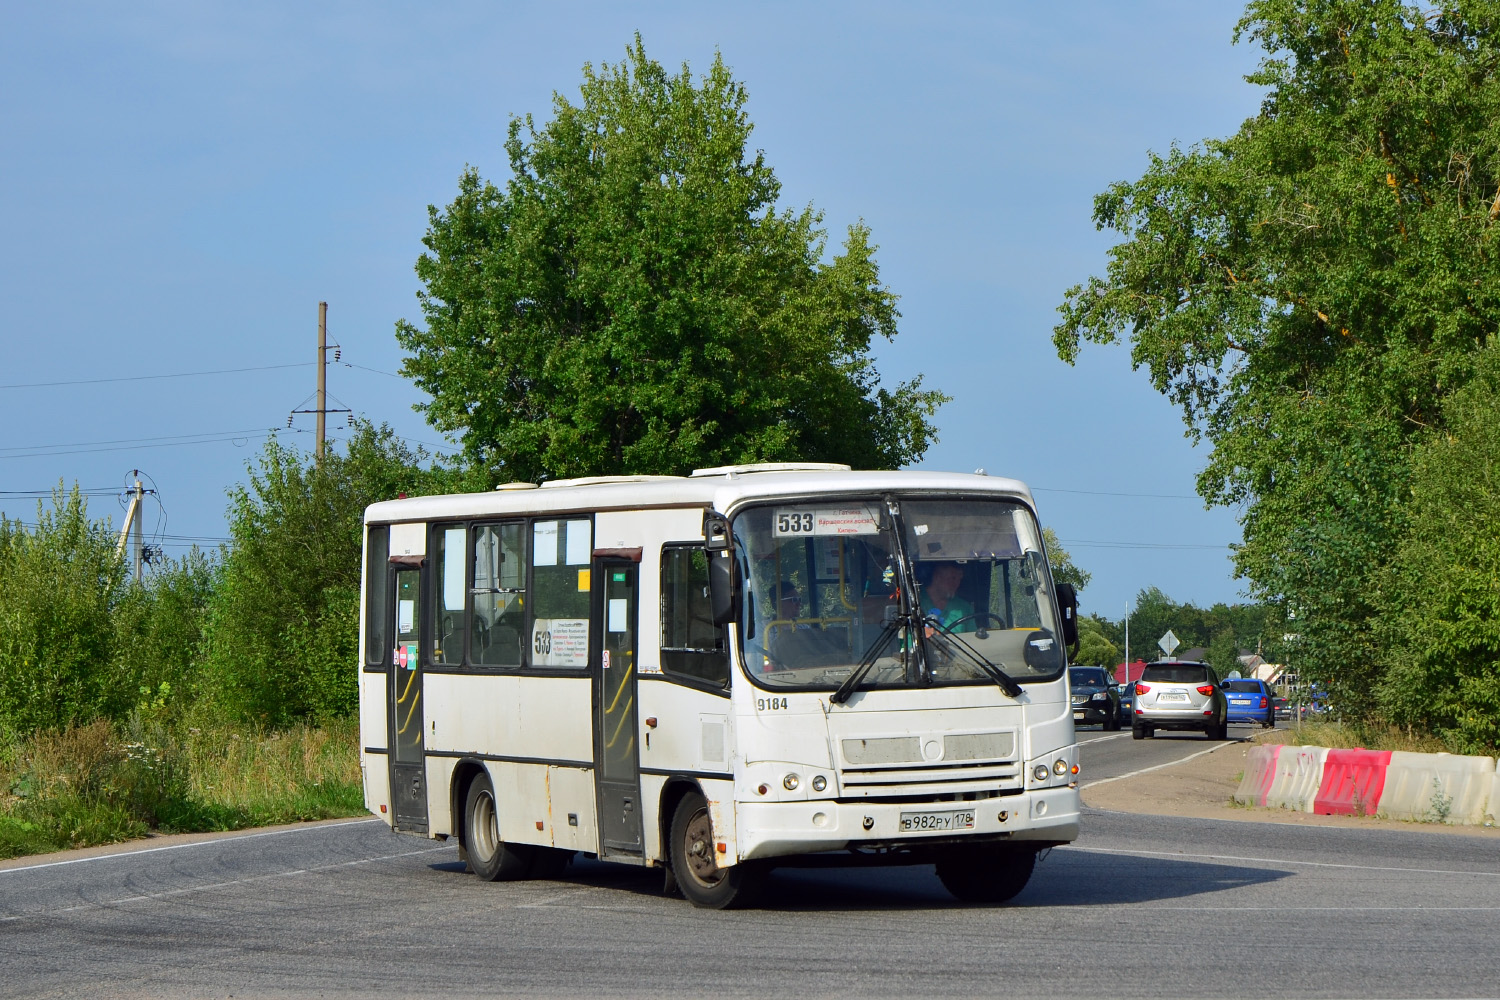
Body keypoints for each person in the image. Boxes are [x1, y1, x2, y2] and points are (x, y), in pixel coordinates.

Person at [920, 561, 975, 633]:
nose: (956, 583)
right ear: (937, 577)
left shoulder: (964, 608)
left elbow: (974, 638)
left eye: (959, 579)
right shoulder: (915, 603)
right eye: (953, 578)